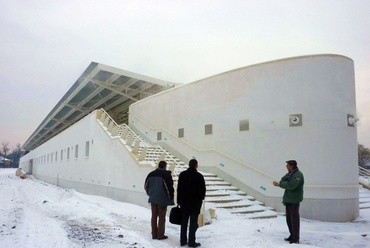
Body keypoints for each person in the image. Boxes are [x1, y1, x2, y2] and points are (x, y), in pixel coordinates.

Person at [273, 160, 304, 244]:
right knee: (289, 219)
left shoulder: (298, 175)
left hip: (294, 200)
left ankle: (296, 237)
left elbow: (292, 185)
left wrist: (281, 184)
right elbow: (282, 180)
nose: (286, 167)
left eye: (287, 165)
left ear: (292, 166)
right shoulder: (290, 174)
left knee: (294, 219)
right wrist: (283, 183)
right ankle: (292, 235)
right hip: (288, 199)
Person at [177, 159, 206, 247]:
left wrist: (179, 201)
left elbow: (179, 189)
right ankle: (191, 242)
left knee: (184, 223)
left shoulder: (182, 175)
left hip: (184, 203)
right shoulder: (199, 176)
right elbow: (202, 191)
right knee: (193, 223)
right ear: (196, 165)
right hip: (195, 204)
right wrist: (200, 199)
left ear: (189, 165)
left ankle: (183, 240)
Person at [144, 160, 174, 240]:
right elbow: (169, 187)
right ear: (165, 166)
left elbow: (146, 186)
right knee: (161, 217)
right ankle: (160, 234)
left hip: (153, 198)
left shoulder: (151, 174)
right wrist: (171, 197)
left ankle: (154, 234)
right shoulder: (166, 175)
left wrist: (150, 194)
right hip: (162, 199)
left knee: (154, 216)